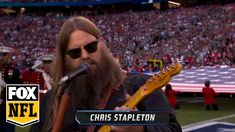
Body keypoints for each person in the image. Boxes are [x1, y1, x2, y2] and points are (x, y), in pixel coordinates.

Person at [30, 16, 181, 132]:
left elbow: (172, 129)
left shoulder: (138, 85)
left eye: (91, 47)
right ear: (65, 58)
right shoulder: (52, 99)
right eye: (75, 52)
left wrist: (141, 129)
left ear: (101, 45)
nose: (85, 55)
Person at [0, 46, 22, 132]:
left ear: (9, 56)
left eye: (4, 54)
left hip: (8, 105)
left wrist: (6, 85)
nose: (1, 57)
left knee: (8, 129)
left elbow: (19, 89)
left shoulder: (14, 71)